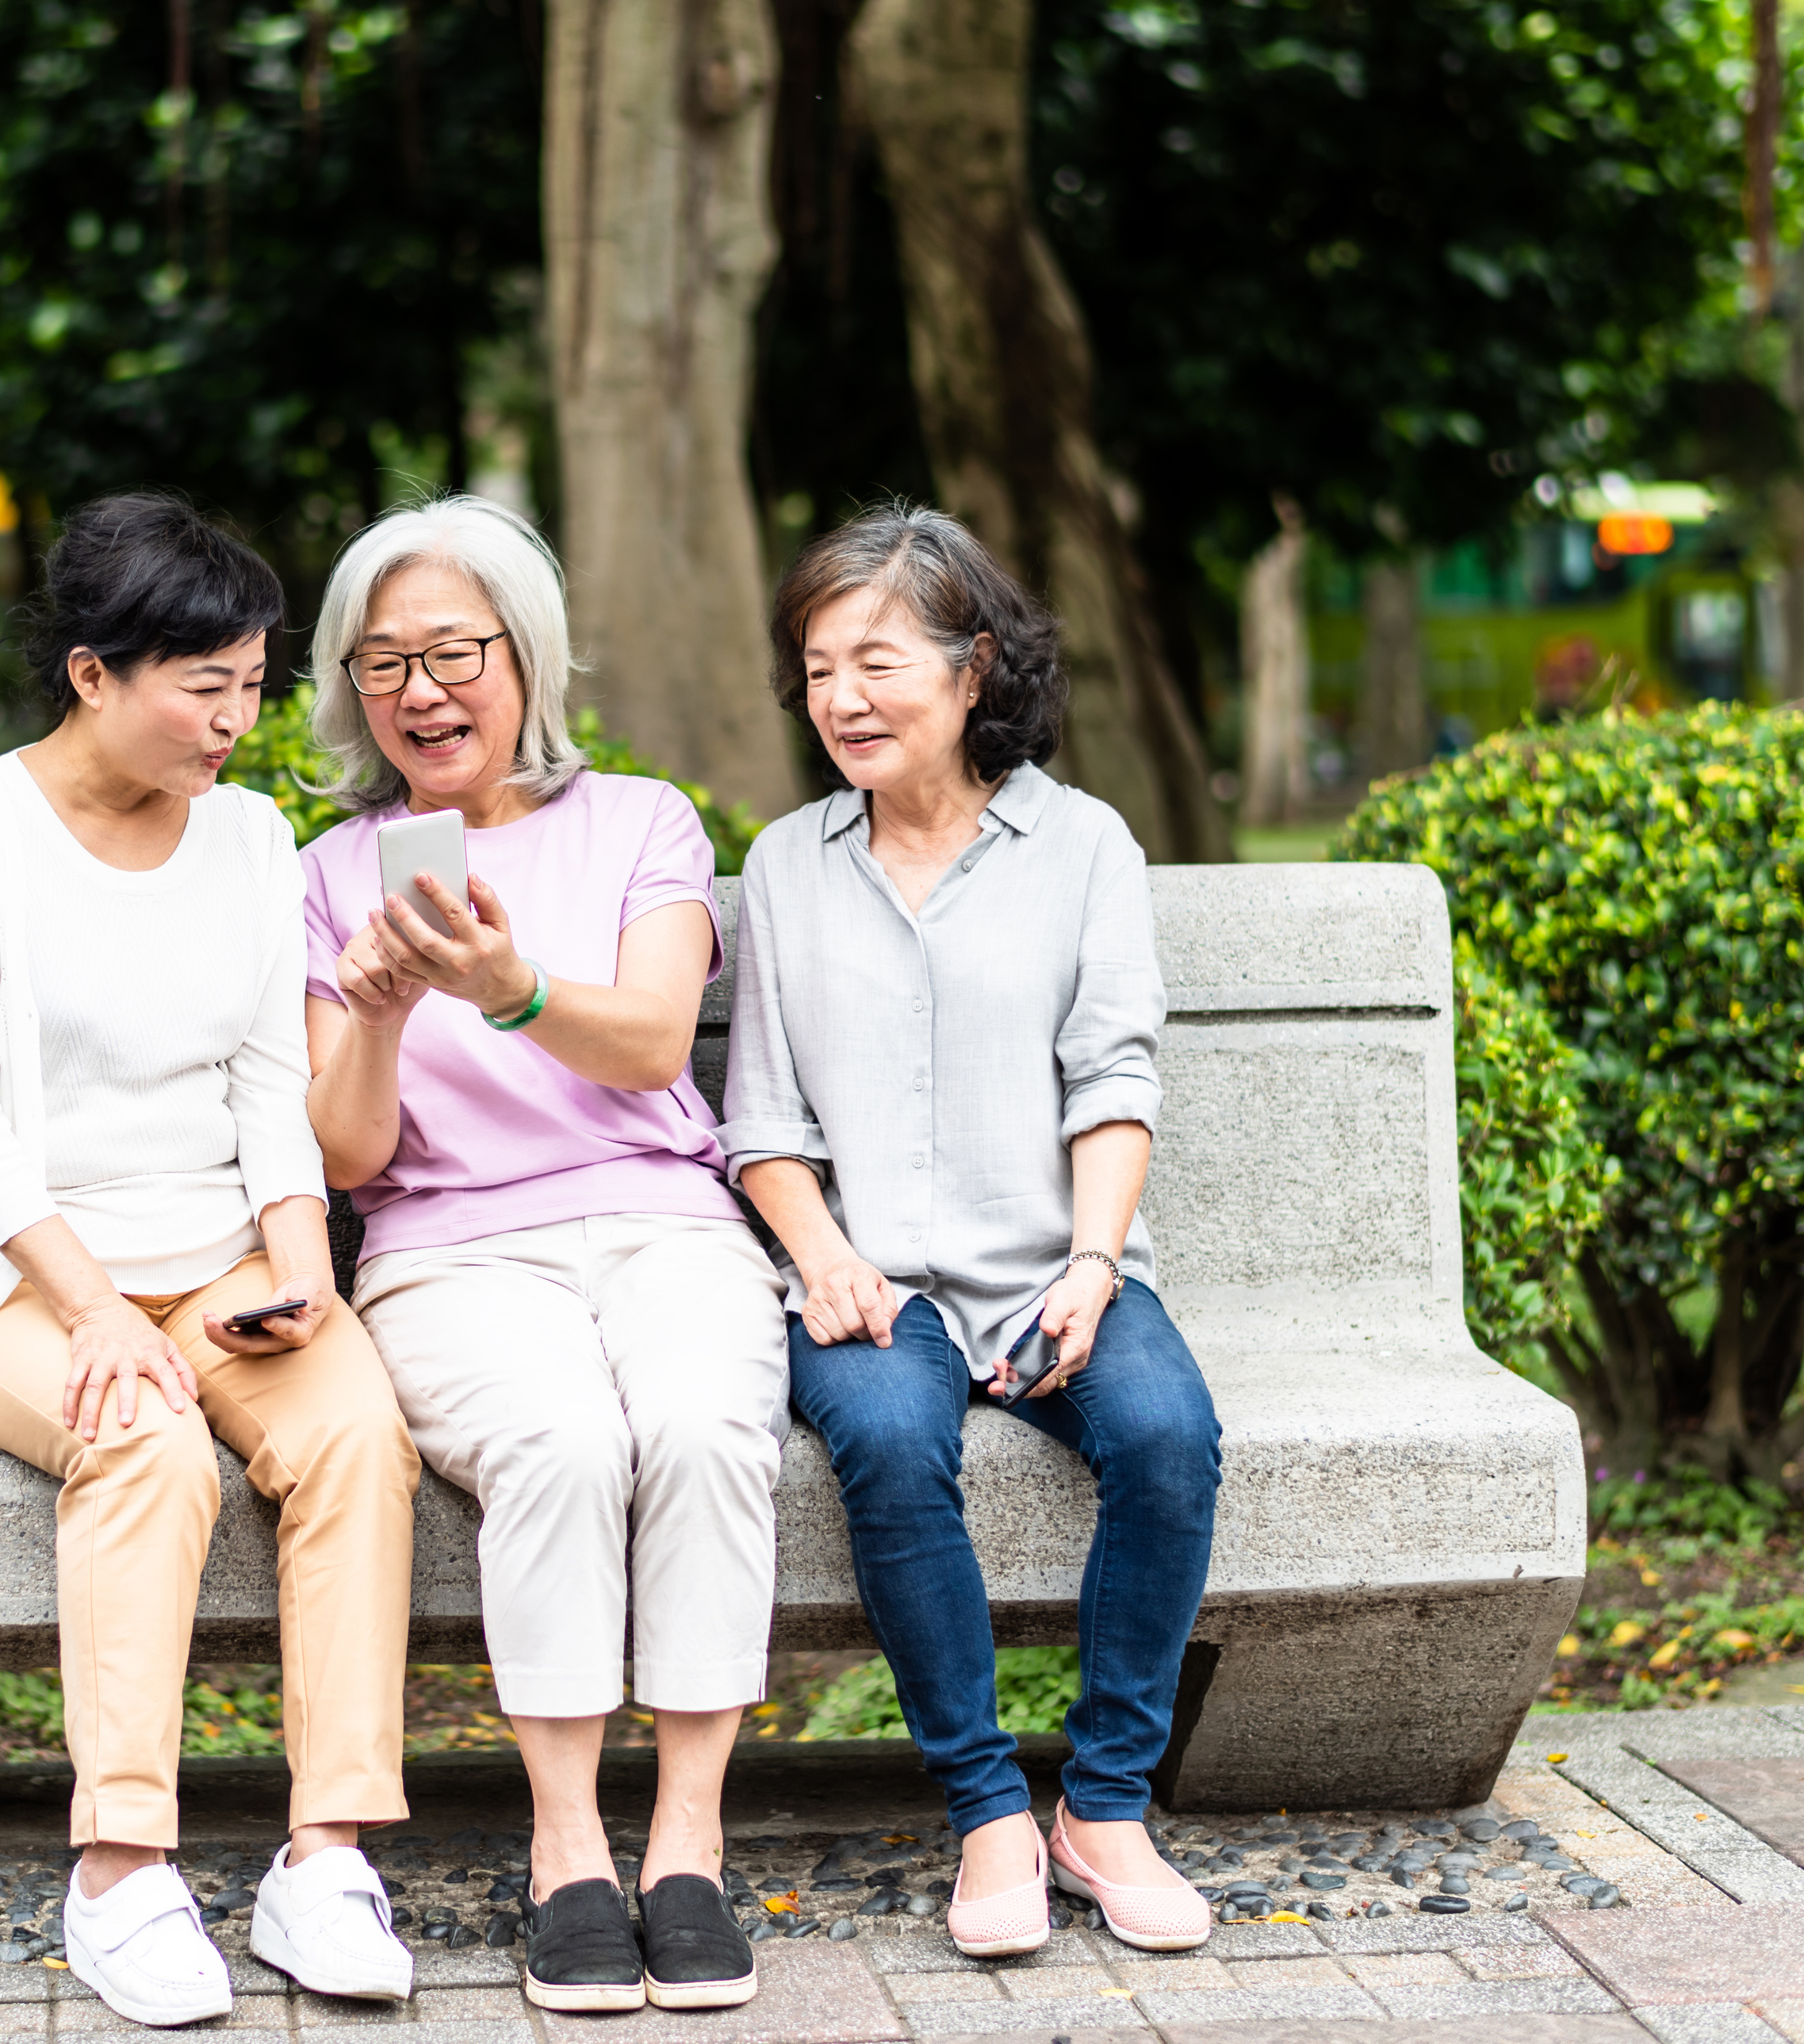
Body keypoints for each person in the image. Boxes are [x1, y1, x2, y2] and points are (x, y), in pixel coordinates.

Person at [0, 492, 423, 2028]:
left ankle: (326, 1856)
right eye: (205, 687)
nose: (235, 722)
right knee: (145, 1443)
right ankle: (121, 1866)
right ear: (90, 670)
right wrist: (98, 1308)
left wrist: (303, 1258)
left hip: (221, 1254)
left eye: (252, 684)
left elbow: (266, 1076)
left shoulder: (250, 835)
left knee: (354, 1435)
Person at [295, 496, 787, 2012]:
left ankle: (689, 1844)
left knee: (703, 1429)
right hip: (450, 1253)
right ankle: (569, 1847)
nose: (423, 693)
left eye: (454, 652)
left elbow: (649, 1042)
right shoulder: (332, 870)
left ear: (529, 656)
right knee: (564, 1441)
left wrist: (510, 986)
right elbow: (350, 1159)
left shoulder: (645, 821)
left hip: (664, 1220)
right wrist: (378, 1011)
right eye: (385, 666)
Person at [721, 503, 1224, 1958]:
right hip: (869, 1273)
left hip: (1052, 1258)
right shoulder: (788, 865)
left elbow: (1115, 1078)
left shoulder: (1084, 847)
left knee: (1168, 1434)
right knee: (883, 1439)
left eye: (876, 662)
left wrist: (1093, 1263)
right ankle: (991, 1808)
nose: (843, 700)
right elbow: (764, 1124)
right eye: (818, 670)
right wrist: (822, 1257)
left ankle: (1107, 1805)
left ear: (973, 667)